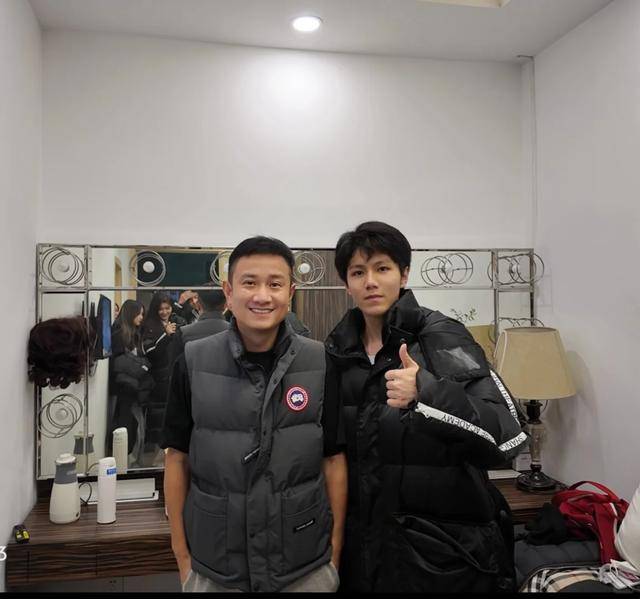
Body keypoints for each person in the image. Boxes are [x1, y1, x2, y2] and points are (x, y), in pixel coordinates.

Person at [325, 221, 528, 593]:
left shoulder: (440, 335)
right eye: (358, 272)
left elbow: (507, 434)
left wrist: (427, 392)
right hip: (365, 554)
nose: (371, 282)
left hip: (443, 557)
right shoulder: (338, 351)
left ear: (403, 274)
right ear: (346, 283)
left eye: (382, 268)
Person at [162, 236, 348, 593]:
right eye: (249, 283)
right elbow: (176, 457)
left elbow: (334, 460)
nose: (262, 296)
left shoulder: (320, 362)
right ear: (229, 291)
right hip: (215, 569)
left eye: (275, 284)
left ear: (290, 293)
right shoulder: (192, 361)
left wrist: (334, 554)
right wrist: (182, 557)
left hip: (305, 566)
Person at [141, 292, 186, 461]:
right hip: (158, 379)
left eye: (167, 308)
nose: (165, 312)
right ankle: (154, 456)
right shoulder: (149, 325)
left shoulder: (177, 322)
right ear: (155, 309)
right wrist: (165, 336)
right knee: (158, 419)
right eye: (161, 309)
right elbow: (150, 352)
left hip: (176, 375)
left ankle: (170, 455)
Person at [108, 300, 153, 460]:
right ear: (130, 313)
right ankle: (125, 460)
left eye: (142, 314)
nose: (141, 317)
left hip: (133, 388)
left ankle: (131, 459)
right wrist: (143, 367)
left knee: (135, 425)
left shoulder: (134, 333)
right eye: (139, 314)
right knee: (126, 425)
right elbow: (121, 363)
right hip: (125, 389)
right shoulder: (119, 333)